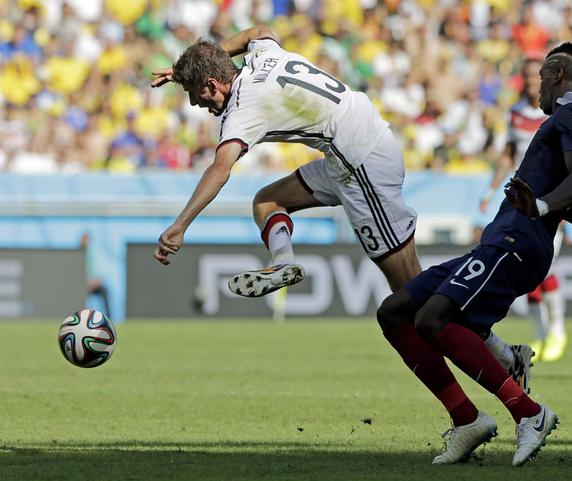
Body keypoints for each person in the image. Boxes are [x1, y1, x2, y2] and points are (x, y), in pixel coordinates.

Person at [150, 25, 532, 389]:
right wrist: (195, 65)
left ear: (212, 84)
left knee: (413, 301)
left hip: (361, 162)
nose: (194, 103)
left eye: (194, 93)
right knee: (268, 201)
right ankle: (284, 260)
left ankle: (500, 365)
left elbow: (220, 169)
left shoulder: (243, 107)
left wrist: (181, 224)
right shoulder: (262, 56)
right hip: (350, 149)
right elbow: (257, 31)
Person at [376, 42, 572, 466]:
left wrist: (544, 207)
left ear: (558, 75)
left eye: (542, 78)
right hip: (501, 241)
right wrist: (553, 205)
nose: (536, 87)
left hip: (515, 244)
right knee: (396, 311)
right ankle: (468, 414)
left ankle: (529, 413)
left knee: (433, 319)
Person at [480, 58, 567, 363]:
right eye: (528, 76)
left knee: (547, 269)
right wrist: (491, 190)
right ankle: (541, 335)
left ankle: (557, 331)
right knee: (526, 270)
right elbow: (507, 155)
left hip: (551, 203)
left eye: (538, 77)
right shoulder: (516, 114)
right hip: (521, 203)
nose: (533, 82)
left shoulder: (560, 113)